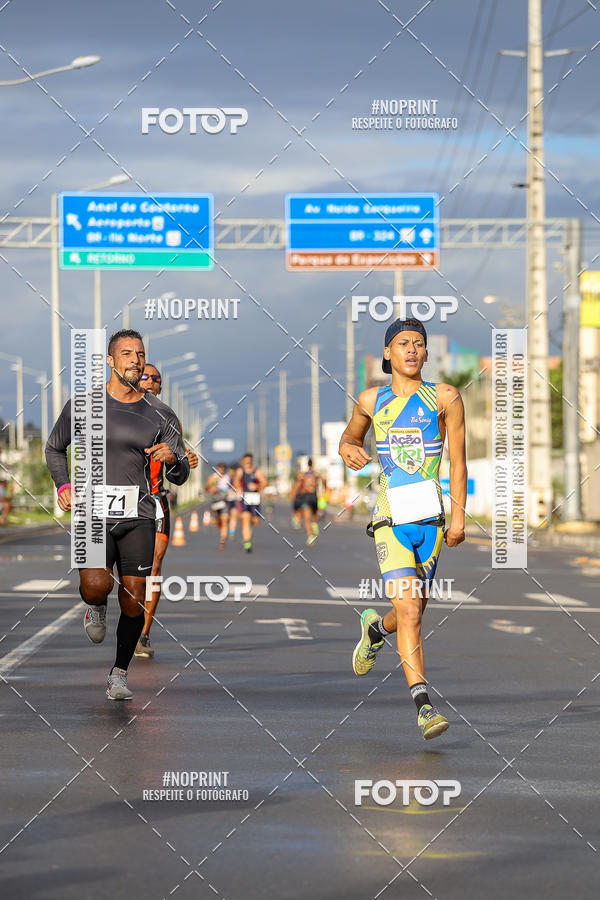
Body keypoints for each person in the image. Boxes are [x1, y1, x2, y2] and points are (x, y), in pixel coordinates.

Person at [339, 318, 467, 741]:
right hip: (390, 519)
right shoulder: (371, 400)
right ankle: (424, 706)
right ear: (387, 353)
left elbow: (459, 462)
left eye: (418, 343)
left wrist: (459, 517)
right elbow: (349, 437)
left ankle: (376, 629)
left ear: (427, 353)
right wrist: (347, 448)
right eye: (402, 343)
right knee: (411, 611)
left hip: (431, 522)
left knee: (411, 611)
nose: (411, 349)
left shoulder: (445, 397)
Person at [45, 331, 190, 700]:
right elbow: (54, 448)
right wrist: (63, 486)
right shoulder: (83, 405)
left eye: (140, 354)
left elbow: (180, 475)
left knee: (134, 597)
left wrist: (174, 461)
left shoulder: (161, 413)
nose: (135, 360)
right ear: (110, 361)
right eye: (126, 353)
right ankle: (95, 607)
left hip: (138, 514)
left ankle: (119, 674)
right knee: (96, 586)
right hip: (91, 514)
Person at [134, 363, 198, 659]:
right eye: (144, 376)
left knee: (154, 566)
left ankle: (142, 634)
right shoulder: (115, 412)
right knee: (125, 575)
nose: (149, 381)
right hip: (118, 502)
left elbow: (179, 467)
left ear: (160, 387)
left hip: (155, 499)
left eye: (155, 378)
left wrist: (183, 460)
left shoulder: (169, 420)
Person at [234, 453, 267, 553]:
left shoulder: (257, 471)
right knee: (246, 519)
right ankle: (247, 542)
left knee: (256, 521)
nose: (248, 463)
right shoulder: (240, 471)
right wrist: (238, 487)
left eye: (249, 461)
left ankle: (248, 531)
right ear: (243, 462)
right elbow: (236, 481)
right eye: (246, 461)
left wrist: (257, 486)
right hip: (244, 499)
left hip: (254, 499)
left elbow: (264, 482)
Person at [296, 458, 325, 546]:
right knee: (315, 513)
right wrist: (324, 488)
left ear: (307, 464)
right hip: (314, 496)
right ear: (312, 464)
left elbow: (298, 484)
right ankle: (315, 525)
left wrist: (297, 494)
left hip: (306, 496)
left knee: (307, 518)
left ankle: (310, 537)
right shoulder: (316, 473)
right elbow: (323, 480)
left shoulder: (303, 474)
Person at [205, 462, 232, 551]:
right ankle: (219, 524)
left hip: (225, 501)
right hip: (215, 502)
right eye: (219, 469)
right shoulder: (213, 477)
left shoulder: (228, 477)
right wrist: (212, 488)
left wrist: (229, 493)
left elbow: (234, 487)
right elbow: (206, 488)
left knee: (225, 519)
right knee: (218, 521)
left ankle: (222, 540)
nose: (221, 471)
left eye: (223, 469)